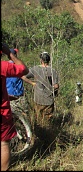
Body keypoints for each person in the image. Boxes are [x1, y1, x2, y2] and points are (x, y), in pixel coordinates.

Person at [1, 43, 29, 171]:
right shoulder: (4, 66)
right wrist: (10, 53)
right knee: (3, 143)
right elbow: (23, 69)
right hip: (2, 112)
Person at [22, 52, 59, 126]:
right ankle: (47, 132)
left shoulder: (35, 69)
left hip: (38, 98)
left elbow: (23, 76)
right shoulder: (53, 71)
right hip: (49, 99)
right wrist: (55, 92)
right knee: (48, 119)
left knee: (38, 117)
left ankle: (40, 130)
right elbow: (56, 86)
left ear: (41, 60)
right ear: (49, 60)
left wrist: (32, 83)